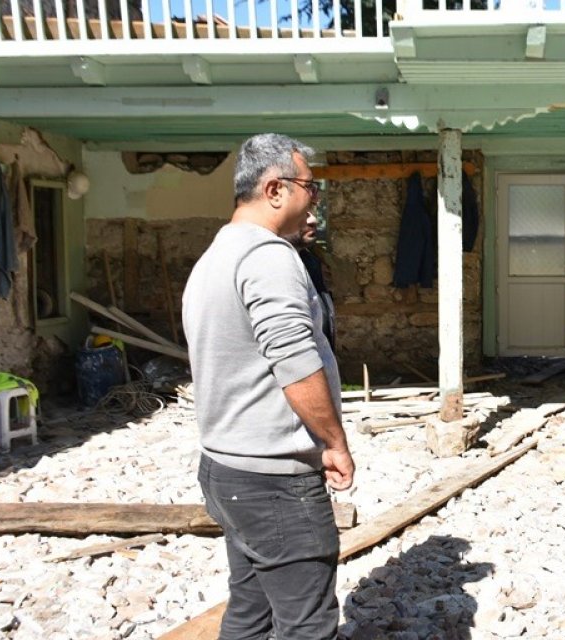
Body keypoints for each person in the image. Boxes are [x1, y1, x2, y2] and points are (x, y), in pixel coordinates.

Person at [182, 133, 354, 640]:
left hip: (227, 469)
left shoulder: (215, 256)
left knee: (251, 612)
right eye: (310, 188)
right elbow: (295, 363)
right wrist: (334, 442)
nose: (315, 203)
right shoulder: (269, 258)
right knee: (308, 624)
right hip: (274, 479)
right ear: (275, 189)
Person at [285, 210, 336, 350]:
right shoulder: (274, 266)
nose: (314, 220)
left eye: (313, 211)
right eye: (303, 213)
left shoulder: (311, 261)